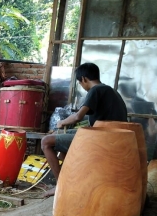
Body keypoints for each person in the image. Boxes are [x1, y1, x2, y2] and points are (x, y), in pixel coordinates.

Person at [41, 62, 128, 196]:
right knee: (61, 140)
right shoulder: (110, 90)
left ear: (84, 79)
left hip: (102, 138)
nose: (82, 86)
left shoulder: (95, 90)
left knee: (46, 142)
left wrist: (62, 122)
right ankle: (73, 180)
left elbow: (77, 117)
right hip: (112, 135)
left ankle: (61, 186)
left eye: (80, 83)